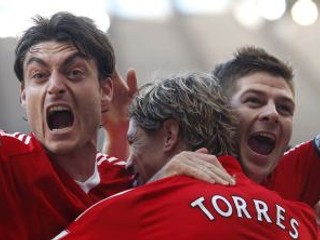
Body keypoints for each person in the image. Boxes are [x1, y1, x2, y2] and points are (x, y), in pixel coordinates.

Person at [0, 12, 229, 240]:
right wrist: (150, 195)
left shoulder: (127, 180)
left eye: (74, 73)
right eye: (39, 75)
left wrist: (120, 134)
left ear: (105, 90)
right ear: (23, 95)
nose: (55, 86)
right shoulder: (6, 158)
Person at [54, 72, 318, 240]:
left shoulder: (137, 210)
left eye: (133, 141)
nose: (129, 162)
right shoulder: (301, 218)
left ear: (169, 135)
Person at [212, 46, 320, 209]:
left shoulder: (296, 179)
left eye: (284, 108)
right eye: (254, 100)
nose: (273, 114)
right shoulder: (175, 172)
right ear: (219, 110)